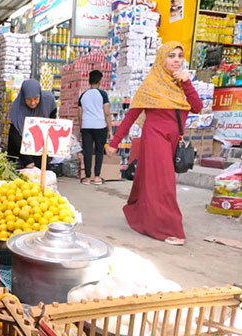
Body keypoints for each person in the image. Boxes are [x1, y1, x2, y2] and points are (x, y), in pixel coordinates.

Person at [106, 41, 202, 246]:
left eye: (179, 56)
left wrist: (187, 83)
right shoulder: (150, 86)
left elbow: (197, 107)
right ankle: (169, 228)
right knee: (164, 183)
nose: (176, 60)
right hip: (154, 138)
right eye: (171, 56)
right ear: (161, 59)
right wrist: (114, 142)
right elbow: (131, 116)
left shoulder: (181, 85)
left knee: (147, 180)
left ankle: (135, 210)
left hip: (174, 140)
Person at [7, 79, 57, 169]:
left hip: (40, 142)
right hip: (22, 145)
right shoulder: (17, 108)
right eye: (29, 99)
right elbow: (16, 136)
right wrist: (28, 161)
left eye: (36, 98)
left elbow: (52, 117)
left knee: (43, 170)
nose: (33, 102)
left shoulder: (48, 99)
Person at [78, 70, 113, 185]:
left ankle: (87, 178)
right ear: (99, 81)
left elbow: (80, 114)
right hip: (100, 125)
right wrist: (110, 130)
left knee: (87, 151)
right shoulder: (103, 95)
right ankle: (97, 177)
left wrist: (81, 127)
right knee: (99, 150)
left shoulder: (83, 95)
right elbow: (107, 113)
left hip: (86, 126)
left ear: (89, 81)